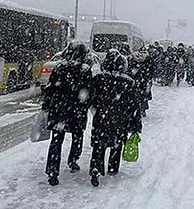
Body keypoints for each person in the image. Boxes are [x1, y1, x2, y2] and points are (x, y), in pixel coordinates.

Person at [89, 49, 142, 187]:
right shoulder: (128, 82)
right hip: (120, 119)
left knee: (98, 146)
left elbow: (91, 98)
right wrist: (136, 124)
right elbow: (134, 105)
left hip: (101, 118)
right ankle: (112, 168)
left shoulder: (99, 79)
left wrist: (96, 108)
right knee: (116, 144)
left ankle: (96, 168)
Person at [42, 42, 93, 186]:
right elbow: (88, 91)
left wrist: (47, 105)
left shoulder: (59, 67)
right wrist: (85, 104)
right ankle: (73, 160)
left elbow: (50, 88)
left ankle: (52, 170)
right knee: (77, 136)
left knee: (56, 140)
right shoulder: (85, 70)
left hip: (59, 110)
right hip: (77, 110)